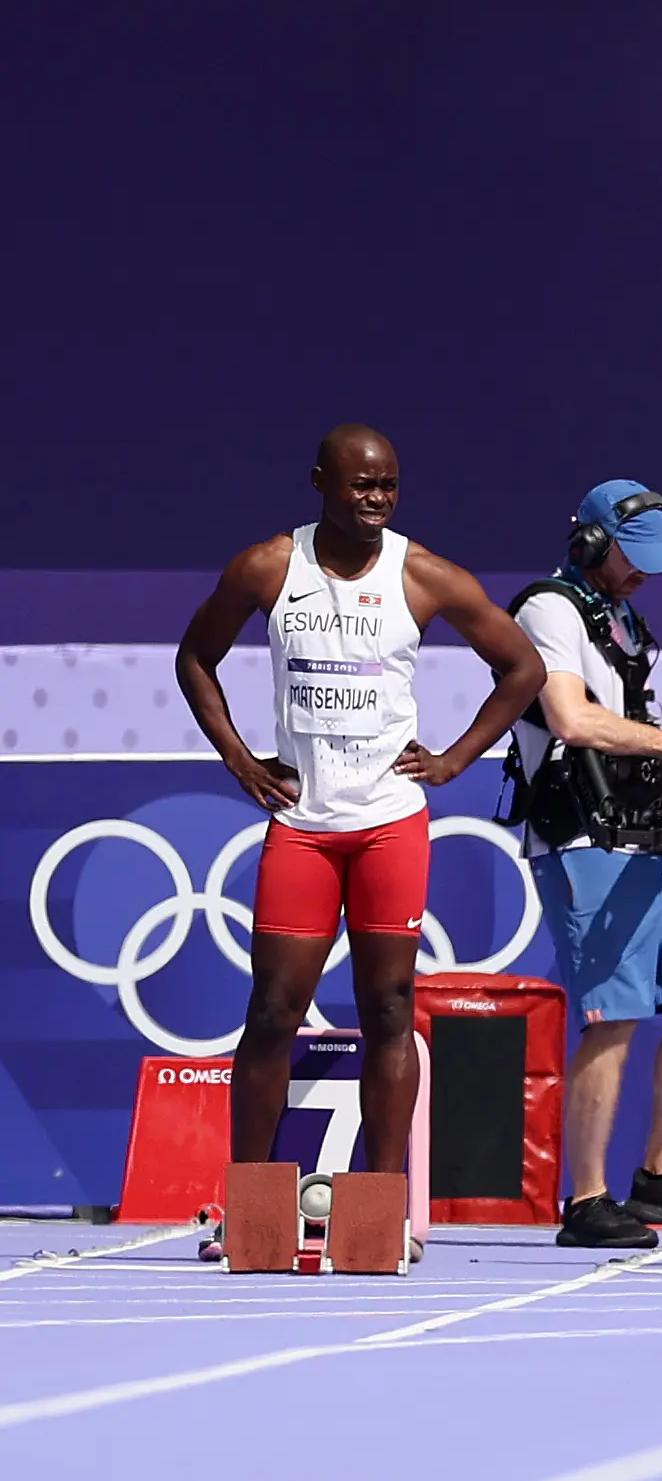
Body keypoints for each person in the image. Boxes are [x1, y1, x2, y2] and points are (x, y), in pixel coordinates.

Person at [173, 428, 543, 1242]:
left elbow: (524, 667)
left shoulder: (423, 573)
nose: (375, 498)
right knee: (272, 1012)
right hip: (303, 827)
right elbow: (194, 657)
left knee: (388, 1008)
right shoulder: (270, 566)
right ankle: (249, 1206)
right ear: (319, 483)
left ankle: (381, 1210)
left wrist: (453, 759)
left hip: (388, 826)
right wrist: (240, 760)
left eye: (389, 486)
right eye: (359, 485)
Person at [501, 481, 662, 1250]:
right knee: (614, 1017)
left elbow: (630, 723)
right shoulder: (547, 609)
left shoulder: (624, 617)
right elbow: (571, 717)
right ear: (590, 542)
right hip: (583, 842)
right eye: (630, 557)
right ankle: (587, 1199)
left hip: (646, 841)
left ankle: (661, 1177)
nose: (645, 572)